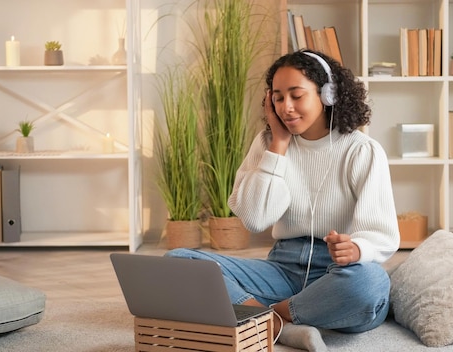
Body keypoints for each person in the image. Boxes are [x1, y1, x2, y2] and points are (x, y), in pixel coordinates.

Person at [165, 50, 400, 351]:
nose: (286, 107)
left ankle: (262, 318)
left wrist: (356, 248)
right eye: (277, 97)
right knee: (180, 262)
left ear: (327, 94)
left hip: (337, 274)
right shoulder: (267, 143)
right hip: (281, 269)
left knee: (371, 284)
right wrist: (278, 146)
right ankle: (281, 326)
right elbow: (254, 218)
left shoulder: (362, 151)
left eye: (296, 95)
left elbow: (383, 234)